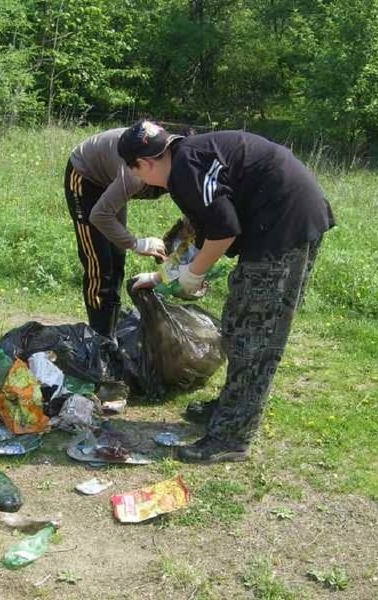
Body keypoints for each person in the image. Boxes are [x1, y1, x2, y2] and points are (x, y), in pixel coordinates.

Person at [119, 120, 336, 463]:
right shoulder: (187, 158)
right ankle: (232, 407)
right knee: (237, 324)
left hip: (285, 227)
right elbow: (197, 234)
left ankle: (232, 437)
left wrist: (194, 275)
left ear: (142, 165)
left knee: (256, 334)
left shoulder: (184, 172)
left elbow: (223, 233)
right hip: (277, 221)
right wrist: (162, 277)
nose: (144, 182)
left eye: (138, 174)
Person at [64, 127, 182, 338]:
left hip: (114, 178)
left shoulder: (182, 168)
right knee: (99, 264)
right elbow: (100, 216)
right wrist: (139, 244)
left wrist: (186, 264)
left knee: (117, 257)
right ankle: (100, 341)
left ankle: (111, 330)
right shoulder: (134, 175)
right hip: (86, 177)